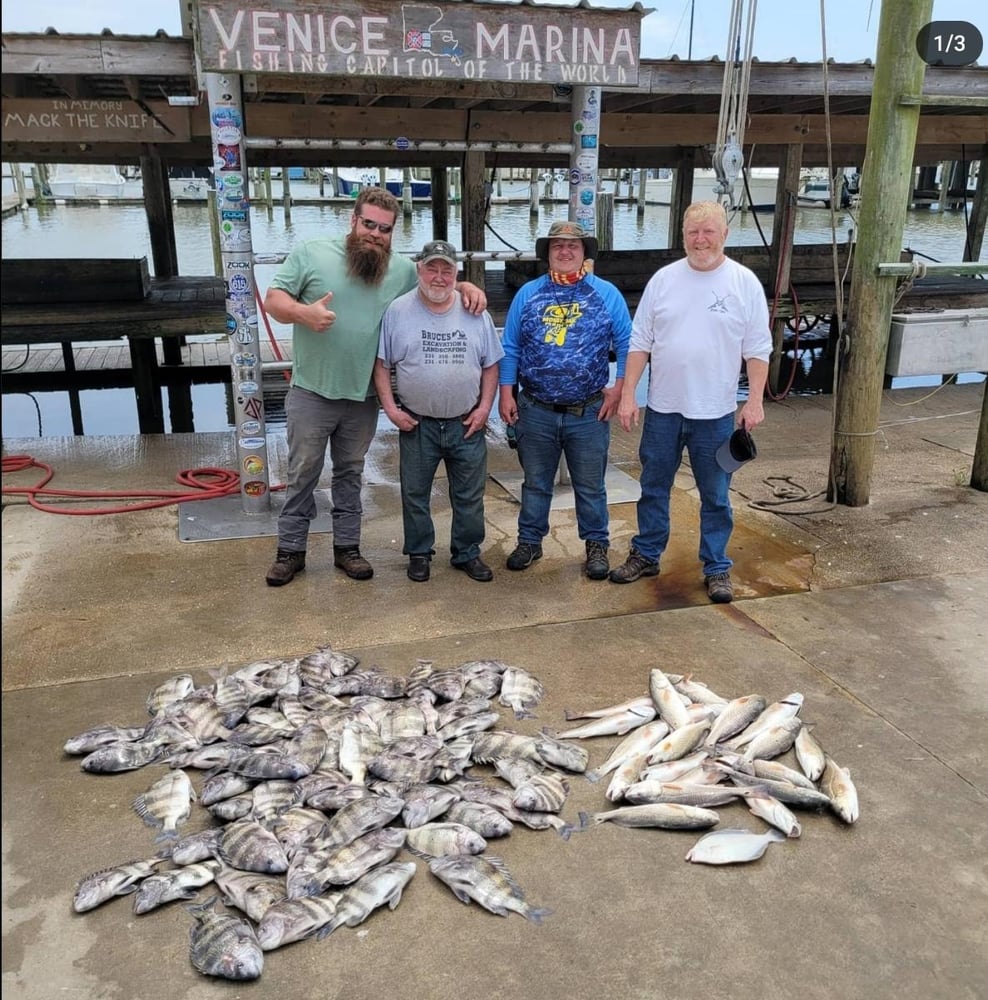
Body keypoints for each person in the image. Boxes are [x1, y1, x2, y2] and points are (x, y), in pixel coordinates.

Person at [263, 188, 487, 587]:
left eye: (384, 229)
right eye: (369, 224)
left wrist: (468, 288)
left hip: (363, 398)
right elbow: (273, 299)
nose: (375, 234)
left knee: (351, 474)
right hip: (312, 390)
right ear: (353, 220)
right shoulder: (312, 252)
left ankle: (347, 549)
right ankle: (290, 551)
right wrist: (303, 313)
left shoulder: (400, 270)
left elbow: (437, 283)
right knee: (302, 473)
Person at [609, 200, 771, 603]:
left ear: (724, 235)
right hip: (663, 409)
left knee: (716, 495)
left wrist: (753, 401)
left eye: (708, 231)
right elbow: (639, 342)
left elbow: (757, 349)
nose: (700, 240)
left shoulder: (744, 282)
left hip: (715, 414)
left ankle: (716, 567)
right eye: (692, 232)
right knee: (653, 486)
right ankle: (646, 553)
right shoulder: (663, 280)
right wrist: (629, 394)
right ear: (682, 236)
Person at [498, 220, 632, 580]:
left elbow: (628, 345)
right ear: (548, 254)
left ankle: (596, 545)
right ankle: (529, 540)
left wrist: (620, 389)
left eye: (573, 245)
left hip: (588, 410)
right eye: (558, 245)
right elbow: (510, 347)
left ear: (584, 252)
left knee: (590, 485)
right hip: (535, 409)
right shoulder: (527, 294)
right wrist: (505, 392)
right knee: (535, 482)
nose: (566, 251)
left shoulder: (607, 294)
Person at [374, 240, 503, 583]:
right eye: (432, 268)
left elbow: (492, 364)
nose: (439, 277)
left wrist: (485, 408)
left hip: (466, 422)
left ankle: (467, 553)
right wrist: (390, 408)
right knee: (414, 493)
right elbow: (382, 363)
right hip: (418, 423)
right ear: (419, 269)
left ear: (457, 274)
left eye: (447, 270)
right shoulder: (398, 311)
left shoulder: (476, 311)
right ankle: (419, 552)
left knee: (470, 495)